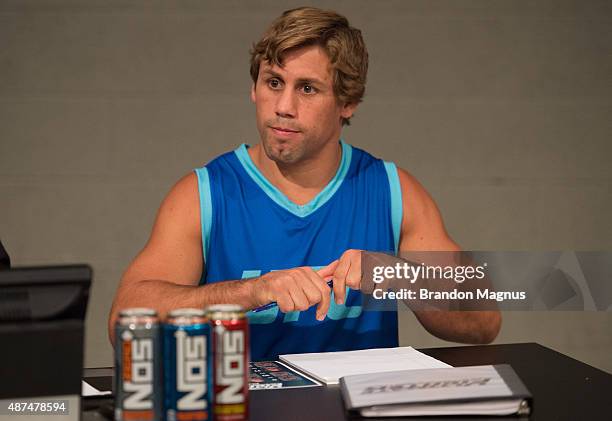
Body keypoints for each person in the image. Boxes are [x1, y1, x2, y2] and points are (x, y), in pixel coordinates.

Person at [108, 7, 500, 359]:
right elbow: (123, 320)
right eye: (273, 83)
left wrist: (396, 274)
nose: (283, 107)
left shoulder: (393, 190)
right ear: (254, 87)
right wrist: (250, 292)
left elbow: (484, 322)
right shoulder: (203, 193)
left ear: (347, 103)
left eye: (307, 89)